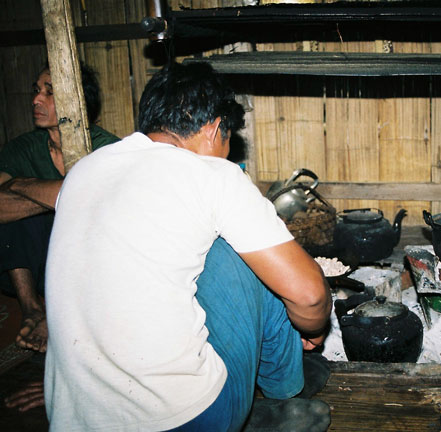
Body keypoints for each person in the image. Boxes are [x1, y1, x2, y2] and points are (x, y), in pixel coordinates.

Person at [44, 62, 333, 431]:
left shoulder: (85, 169)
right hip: (186, 419)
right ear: (214, 128)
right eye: (227, 142)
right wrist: (313, 330)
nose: (226, 154)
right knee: (245, 255)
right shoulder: (212, 174)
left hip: (75, 417)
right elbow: (309, 296)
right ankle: (286, 394)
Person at [0, 63, 119, 353]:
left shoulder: (108, 149)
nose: (36, 100)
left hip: (91, 274)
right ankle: (32, 310)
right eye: (36, 91)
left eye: (49, 92)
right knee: (19, 219)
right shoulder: (23, 148)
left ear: (76, 101)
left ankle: (66, 317)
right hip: (36, 265)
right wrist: (61, 197)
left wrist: (21, 185)